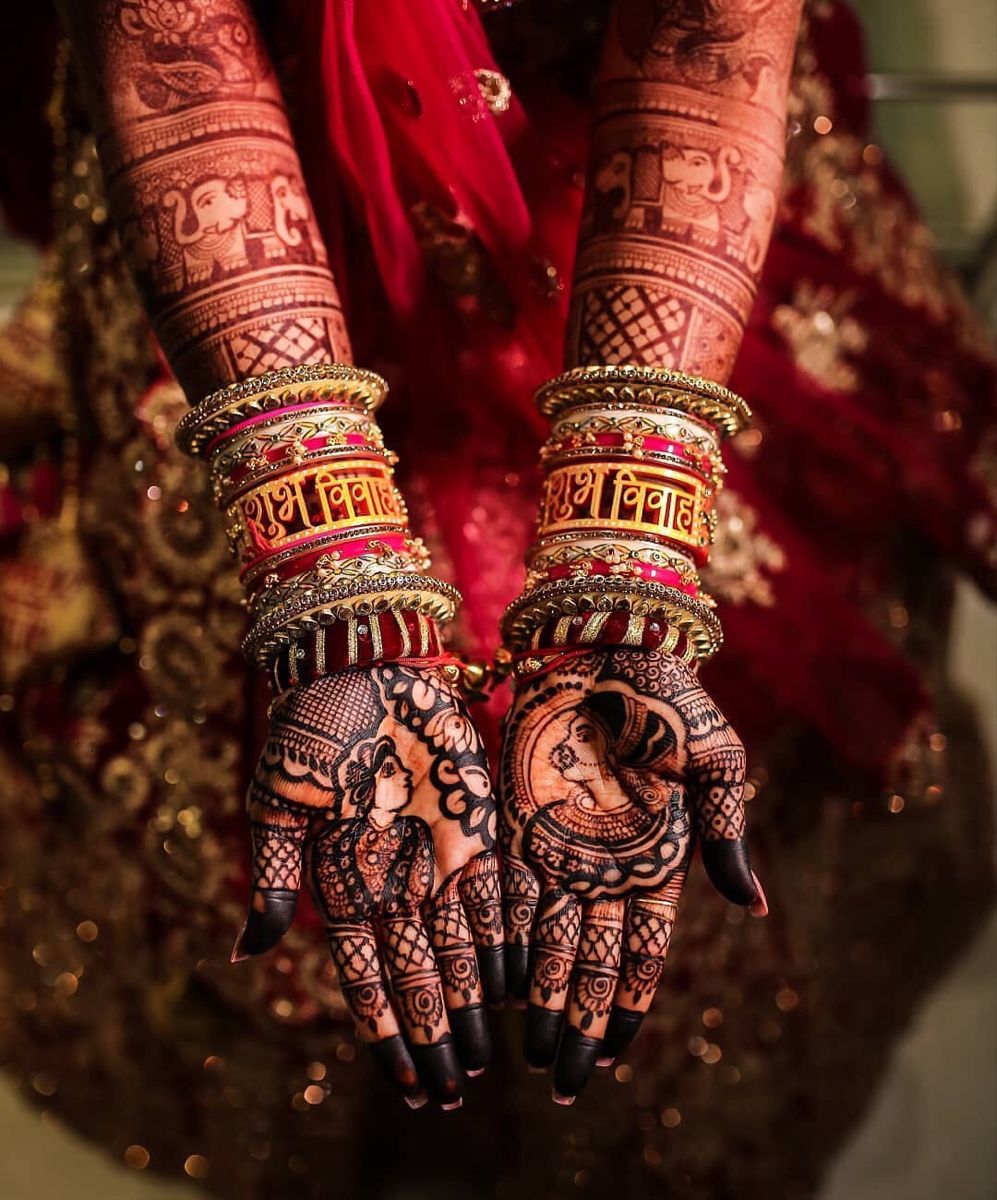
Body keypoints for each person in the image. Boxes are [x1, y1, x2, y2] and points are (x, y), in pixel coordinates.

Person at [0, 2, 993, 1196]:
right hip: (245, 208)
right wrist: (333, 586)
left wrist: (623, 574)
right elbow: (173, 39)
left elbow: (704, 40)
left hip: (618, 168)